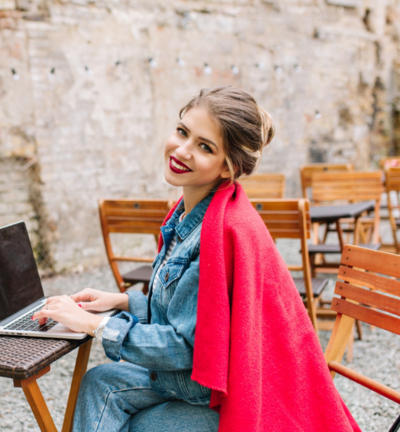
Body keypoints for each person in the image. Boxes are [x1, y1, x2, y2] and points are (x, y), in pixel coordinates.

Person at [31, 86, 360, 432]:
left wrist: (96, 326)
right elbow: (194, 313)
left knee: (136, 426)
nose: (182, 150)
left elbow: (188, 348)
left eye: (205, 147)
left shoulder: (219, 235)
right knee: (99, 382)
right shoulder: (191, 216)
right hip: (199, 384)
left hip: (223, 398)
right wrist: (125, 301)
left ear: (227, 168)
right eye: (182, 131)